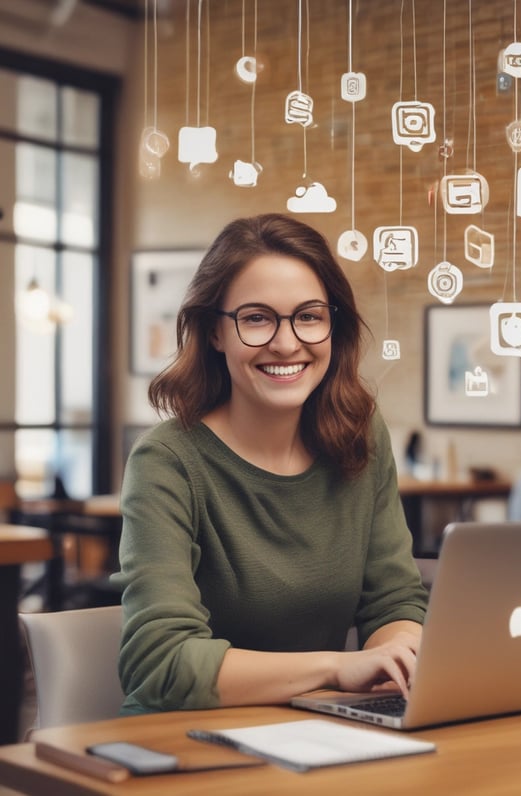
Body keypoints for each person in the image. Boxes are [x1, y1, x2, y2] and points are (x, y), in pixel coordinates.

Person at [113, 213, 428, 715]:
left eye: (309, 316)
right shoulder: (167, 461)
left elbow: (393, 600)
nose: (286, 343)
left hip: (322, 729)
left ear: (332, 325)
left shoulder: (360, 435)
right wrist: (334, 668)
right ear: (215, 333)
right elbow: (160, 664)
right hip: (186, 744)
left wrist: (400, 652)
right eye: (256, 318)